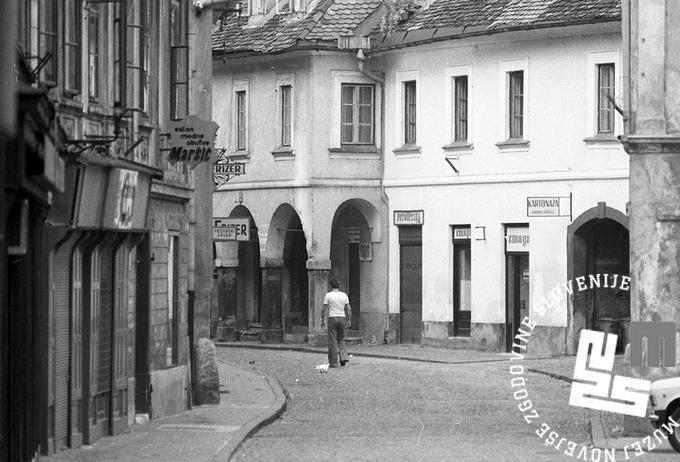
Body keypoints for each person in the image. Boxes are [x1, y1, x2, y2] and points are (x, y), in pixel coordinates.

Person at [321, 278, 351, 368]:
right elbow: (348, 309)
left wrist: (322, 320)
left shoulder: (328, 295)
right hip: (342, 318)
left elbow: (324, 309)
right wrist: (349, 320)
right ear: (339, 286)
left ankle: (334, 362)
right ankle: (343, 358)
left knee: (333, 340)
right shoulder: (344, 295)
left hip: (332, 318)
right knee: (341, 338)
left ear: (331, 286)